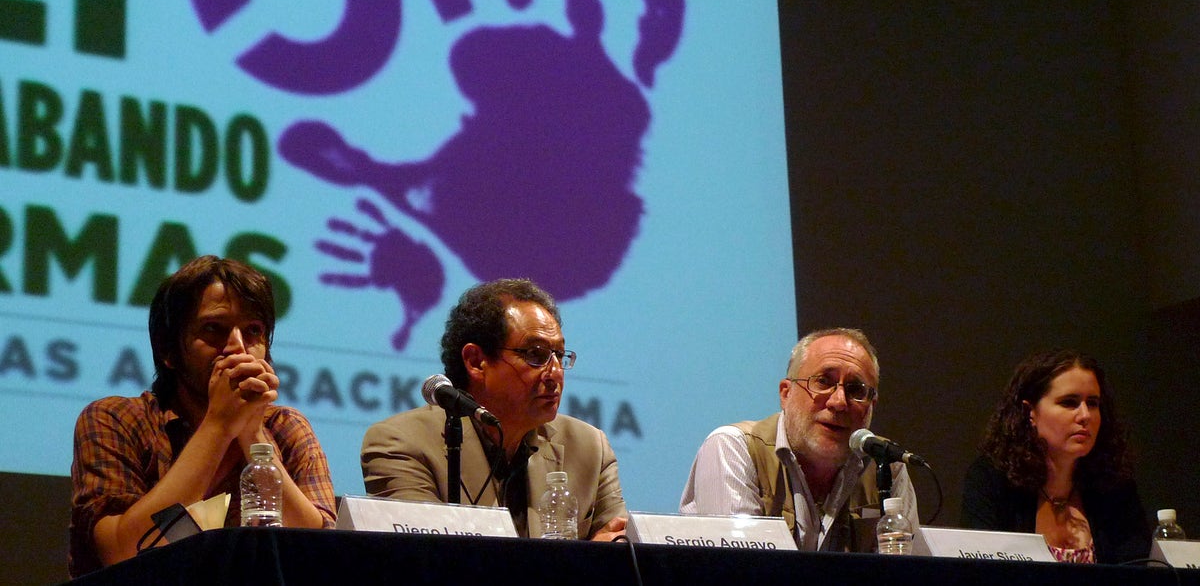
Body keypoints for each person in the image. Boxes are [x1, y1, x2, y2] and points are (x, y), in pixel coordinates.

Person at [68, 256, 337, 577]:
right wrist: (219, 426)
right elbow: (122, 553)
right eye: (213, 329)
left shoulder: (287, 427)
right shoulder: (114, 419)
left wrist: (252, 434)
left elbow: (318, 553)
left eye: (253, 331)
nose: (238, 348)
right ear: (168, 350)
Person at [361, 278, 627, 540]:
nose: (556, 373)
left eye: (559, 355)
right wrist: (587, 557)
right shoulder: (401, 444)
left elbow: (626, 551)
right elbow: (423, 559)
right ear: (476, 362)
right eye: (536, 354)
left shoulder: (590, 448)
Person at [679, 327, 919, 551]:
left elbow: (911, 569)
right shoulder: (734, 448)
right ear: (786, 393)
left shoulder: (886, 464)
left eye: (856, 390)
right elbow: (743, 569)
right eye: (823, 382)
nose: (838, 402)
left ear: (871, 405)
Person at [961, 349, 1150, 564]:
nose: (1085, 415)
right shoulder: (992, 479)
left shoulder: (1115, 485)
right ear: (1030, 412)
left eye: (1093, 403)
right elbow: (978, 571)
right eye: (1069, 402)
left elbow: (1138, 570)